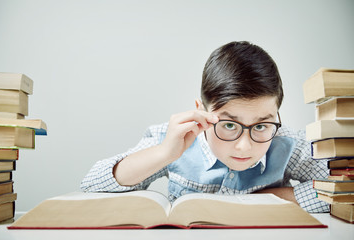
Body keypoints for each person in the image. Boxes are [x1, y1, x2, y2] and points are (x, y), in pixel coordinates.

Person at [80, 41, 329, 213]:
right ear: (202, 111)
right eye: (229, 124)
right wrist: (164, 153)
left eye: (262, 125)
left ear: (277, 114)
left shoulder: (285, 143)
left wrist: (259, 201)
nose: (245, 145)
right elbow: (91, 185)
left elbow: (344, 188)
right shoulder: (173, 139)